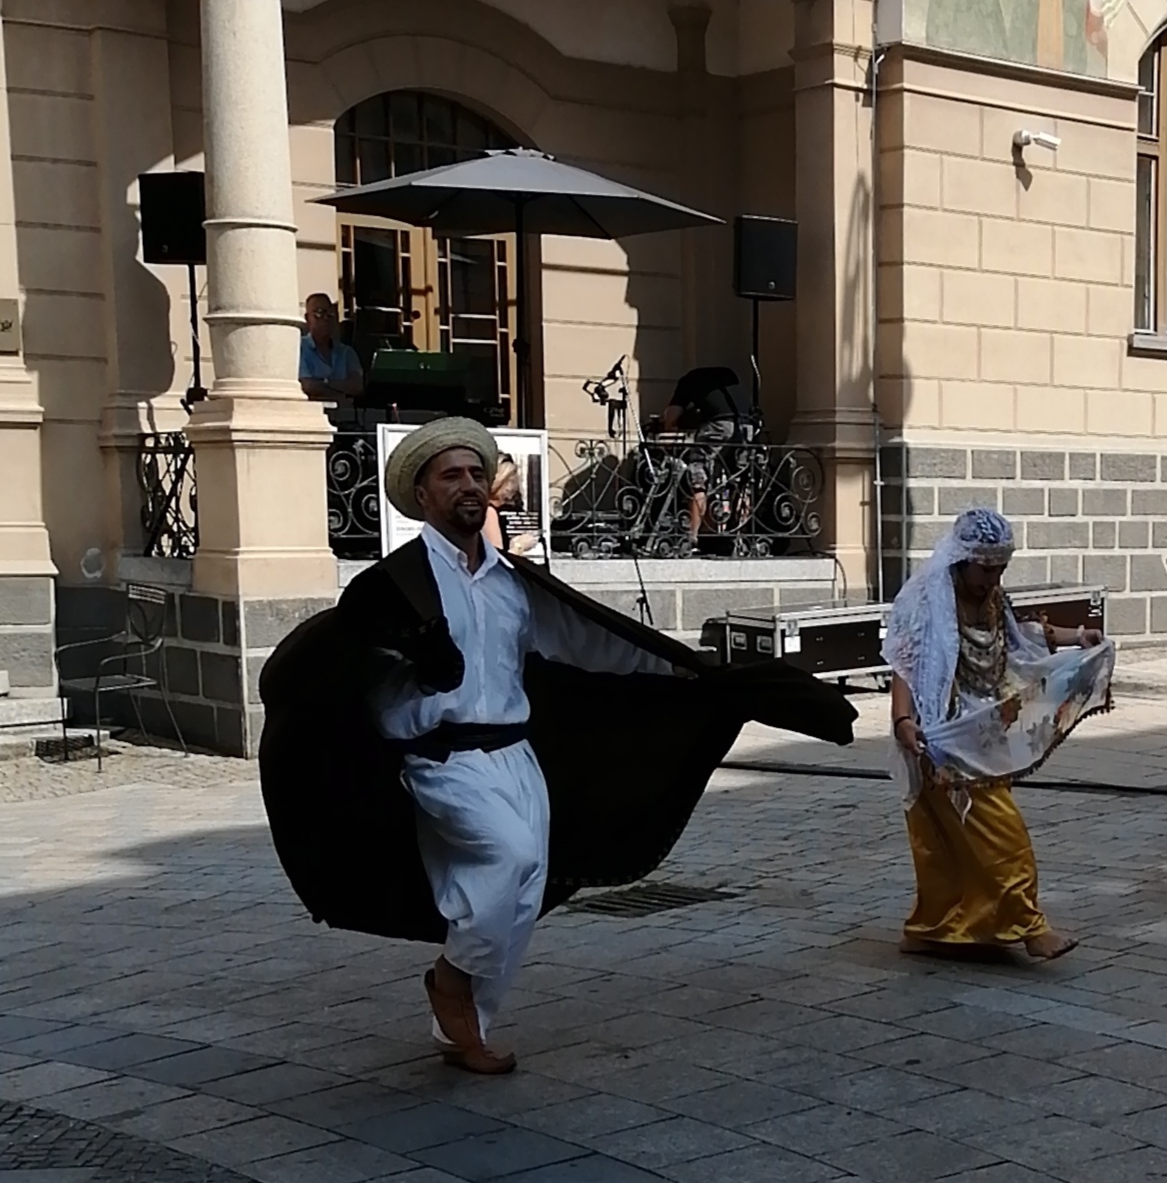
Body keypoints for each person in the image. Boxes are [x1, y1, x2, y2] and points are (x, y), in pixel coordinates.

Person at [256, 418, 854, 1075]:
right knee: (504, 859)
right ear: (422, 494)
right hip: (444, 759)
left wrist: (704, 680)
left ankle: (465, 1029)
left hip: (518, 757)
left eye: (477, 473)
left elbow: (590, 643)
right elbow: (343, 680)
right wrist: (406, 661)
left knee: (524, 890)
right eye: (450, 474)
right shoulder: (391, 585)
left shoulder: (514, 583)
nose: (468, 484)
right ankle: (452, 980)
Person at [884, 508, 1114, 962]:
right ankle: (1029, 927)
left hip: (982, 731)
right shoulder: (929, 601)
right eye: (986, 569)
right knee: (1001, 835)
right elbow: (905, 663)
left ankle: (933, 928)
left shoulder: (990, 598)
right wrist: (902, 722)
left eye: (1000, 569)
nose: (992, 579)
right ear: (963, 558)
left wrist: (1077, 636)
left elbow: (1019, 633)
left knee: (951, 846)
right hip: (939, 737)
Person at [660, 366, 746, 541]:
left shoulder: (687, 382)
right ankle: (737, 537)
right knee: (741, 480)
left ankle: (692, 538)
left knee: (699, 480)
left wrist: (669, 427)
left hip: (718, 425)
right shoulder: (730, 377)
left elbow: (671, 417)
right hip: (746, 424)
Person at [298, 293, 364, 404]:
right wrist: (340, 391)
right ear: (307, 318)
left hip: (345, 415)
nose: (325, 318)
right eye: (319, 313)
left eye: (330, 314)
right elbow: (306, 385)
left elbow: (357, 386)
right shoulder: (300, 348)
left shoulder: (347, 352)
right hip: (311, 412)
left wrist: (324, 383)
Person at [482, 454, 541, 560]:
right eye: (512, 481)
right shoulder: (489, 513)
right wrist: (520, 546)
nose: (514, 487)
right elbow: (498, 561)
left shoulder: (491, 510)